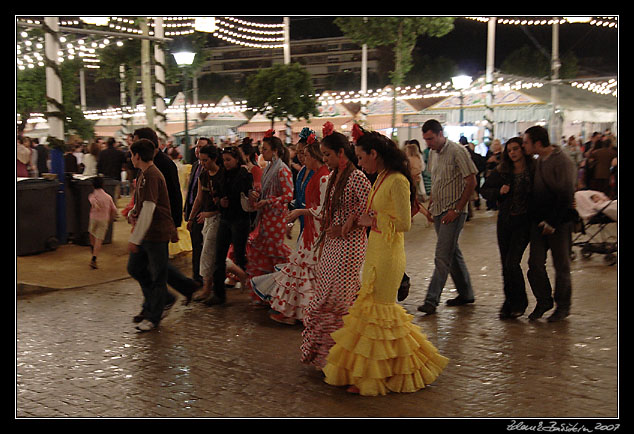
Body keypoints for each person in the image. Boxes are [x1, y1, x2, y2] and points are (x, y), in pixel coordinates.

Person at [322, 129, 448, 396]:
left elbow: (404, 223)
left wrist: (373, 221)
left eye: (361, 156)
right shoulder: (380, 177)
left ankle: (386, 371)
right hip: (375, 250)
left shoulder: (398, 181)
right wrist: (358, 219)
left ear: (374, 154)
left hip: (389, 256)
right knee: (370, 313)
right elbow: (376, 211)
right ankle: (374, 370)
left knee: (381, 314)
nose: (359, 162)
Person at [300, 124, 371, 370]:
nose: (325, 159)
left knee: (340, 299)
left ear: (341, 153)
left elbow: (370, 212)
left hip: (350, 246)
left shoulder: (357, 177)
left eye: (328, 155)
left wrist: (346, 226)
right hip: (332, 244)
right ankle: (327, 357)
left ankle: (344, 360)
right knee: (324, 296)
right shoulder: (334, 177)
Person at [252, 133, 330, 325]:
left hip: (313, 228)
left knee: (304, 267)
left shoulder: (322, 176)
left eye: (305, 154)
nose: (301, 157)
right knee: (300, 266)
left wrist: (297, 213)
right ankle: (293, 309)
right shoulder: (305, 172)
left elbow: (321, 208)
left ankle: (301, 310)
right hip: (307, 226)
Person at [417, 119, 477, 316]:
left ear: (441, 133)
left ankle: (431, 299)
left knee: (442, 256)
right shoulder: (434, 154)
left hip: (453, 212)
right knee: (453, 253)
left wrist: (458, 209)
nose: (428, 143)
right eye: (426, 139)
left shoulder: (458, 151)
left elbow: (471, 181)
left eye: (431, 138)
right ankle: (466, 293)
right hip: (439, 211)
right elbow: (437, 180)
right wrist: (432, 201)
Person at [133, 127, 198, 306]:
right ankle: (185, 287)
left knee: (154, 267)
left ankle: (155, 305)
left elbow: (174, 194)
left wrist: (175, 222)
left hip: (158, 224)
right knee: (154, 264)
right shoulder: (146, 163)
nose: (132, 144)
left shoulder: (161, 164)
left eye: (135, 140)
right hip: (150, 225)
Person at [522, 126, 576, 322]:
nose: (524, 145)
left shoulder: (562, 161)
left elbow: (566, 194)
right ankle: (544, 300)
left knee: (561, 265)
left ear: (537, 143)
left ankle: (563, 306)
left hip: (559, 223)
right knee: (535, 264)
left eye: (526, 142)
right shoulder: (538, 161)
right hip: (539, 223)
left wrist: (552, 222)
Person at [126, 138, 177, 332]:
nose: (131, 158)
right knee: (135, 268)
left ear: (137, 156)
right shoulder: (144, 174)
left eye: (132, 154)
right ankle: (161, 301)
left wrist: (135, 239)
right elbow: (142, 205)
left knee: (158, 276)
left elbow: (149, 208)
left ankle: (154, 316)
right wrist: (133, 213)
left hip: (156, 233)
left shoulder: (152, 175)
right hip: (147, 233)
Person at [481, 137, 534, 319]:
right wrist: (498, 192)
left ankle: (520, 302)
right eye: (509, 150)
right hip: (505, 222)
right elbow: (485, 190)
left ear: (523, 150)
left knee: (513, 262)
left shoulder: (533, 170)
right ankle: (509, 301)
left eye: (516, 149)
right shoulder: (503, 170)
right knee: (506, 264)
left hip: (524, 223)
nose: (512, 153)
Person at [246, 130, 294, 304]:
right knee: (264, 253)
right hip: (266, 219)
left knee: (275, 253)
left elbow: (289, 195)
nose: (262, 152)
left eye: (265, 149)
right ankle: (267, 293)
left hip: (275, 219)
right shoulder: (269, 169)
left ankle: (281, 292)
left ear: (274, 151)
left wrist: (268, 201)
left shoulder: (282, 169)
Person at [207, 146, 254, 306]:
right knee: (219, 256)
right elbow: (217, 194)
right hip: (225, 219)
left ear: (237, 159)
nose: (226, 163)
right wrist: (221, 201)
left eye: (229, 159)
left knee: (241, 256)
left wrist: (228, 199)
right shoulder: (223, 174)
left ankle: (255, 289)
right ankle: (218, 294)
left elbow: (246, 194)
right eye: (224, 160)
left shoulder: (244, 174)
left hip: (240, 219)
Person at [186, 144, 222, 302]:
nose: (202, 164)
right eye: (200, 160)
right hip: (206, 219)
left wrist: (209, 213)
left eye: (205, 160)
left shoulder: (223, 176)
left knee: (207, 253)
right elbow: (199, 198)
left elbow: (227, 203)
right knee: (209, 253)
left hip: (219, 219)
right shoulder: (203, 176)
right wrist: (191, 217)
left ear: (214, 159)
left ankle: (207, 288)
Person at [184, 137, 211, 286]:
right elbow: (191, 192)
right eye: (197, 146)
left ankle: (202, 277)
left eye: (201, 147)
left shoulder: (211, 169)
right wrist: (187, 212)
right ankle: (196, 277)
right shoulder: (195, 166)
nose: (197, 149)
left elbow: (202, 196)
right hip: (194, 212)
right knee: (196, 246)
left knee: (204, 248)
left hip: (205, 214)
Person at [88, 176, 118, 269]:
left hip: (93, 218)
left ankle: (93, 249)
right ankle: (94, 257)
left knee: (91, 233)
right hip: (104, 219)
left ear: (93, 186)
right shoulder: (108, 197)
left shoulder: (92, 195)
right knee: (99, 239)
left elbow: (93, 201)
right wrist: (111, 218)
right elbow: (114, 209)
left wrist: (96, 205)